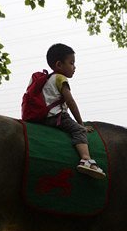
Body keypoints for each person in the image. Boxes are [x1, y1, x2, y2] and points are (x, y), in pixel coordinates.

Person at [34, 43, 105, 179]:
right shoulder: (60, 78)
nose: (74, 67)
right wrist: (81, 124)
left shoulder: (47, 79)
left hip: (44, 118)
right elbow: (71, 102)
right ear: (59, 65)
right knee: (78, 131)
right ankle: (86, 160)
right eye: (71, 63)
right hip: (57, 116)